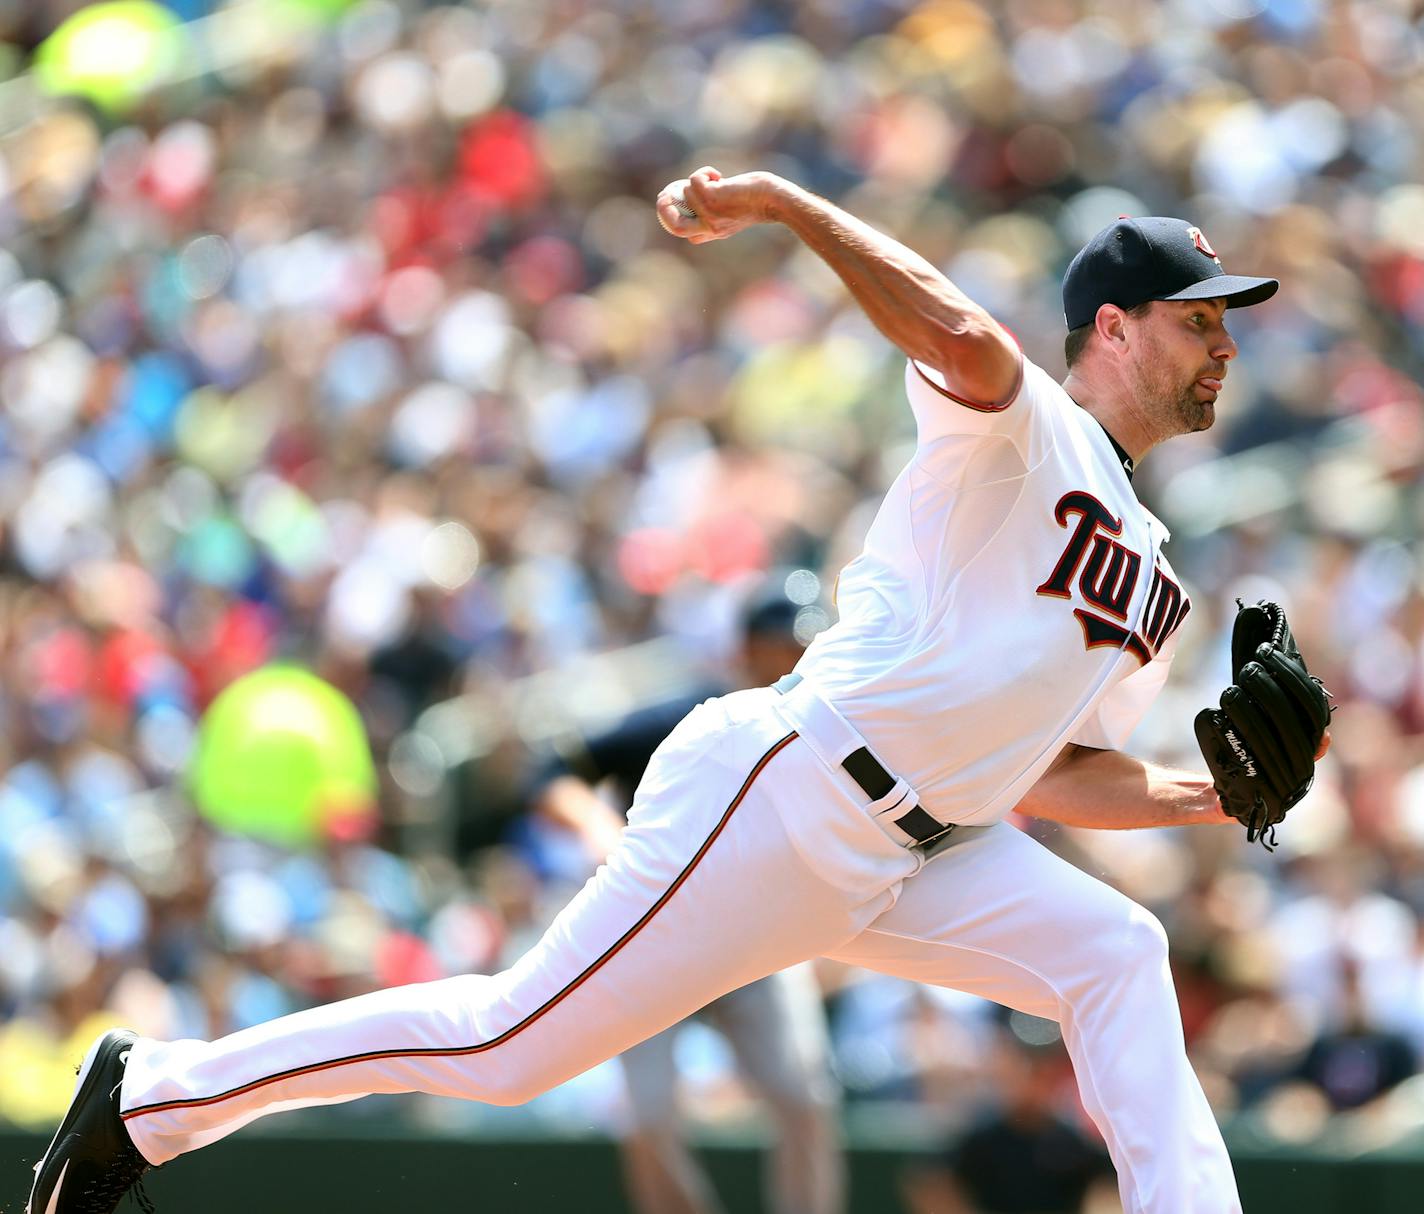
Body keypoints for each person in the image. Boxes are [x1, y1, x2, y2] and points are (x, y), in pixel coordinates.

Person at [30, 166, 1314, 1214]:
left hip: (923, 849)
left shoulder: (1151, 575)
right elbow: (959, 332)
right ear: (1111, 326)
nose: (1220, 346)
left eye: (1224, 324)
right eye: (1196, 317)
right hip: (790, 785)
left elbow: (1056, 772)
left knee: (1117, 948)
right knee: (500, 1047)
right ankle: (152, 1094)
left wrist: (1216, 797)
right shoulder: (1025, 426)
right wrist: (788, 206)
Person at [529, 590, 843, 1214]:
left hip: (756, 942)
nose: (788, 661)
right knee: (646, 1118)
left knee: (806, 1097)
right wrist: (594, 818)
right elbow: (551, 769)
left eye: (800, 648)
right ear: (743, 652)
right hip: (654, 938)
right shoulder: (696, 718)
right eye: (777, 648)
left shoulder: (834, 731)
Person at [900, 1024, 1114, 1214]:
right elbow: (927, 1181)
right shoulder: (982, 1137)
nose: (1034, 1078)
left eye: (1041, 1070)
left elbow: (1110, 1188)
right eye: (1027, 1067)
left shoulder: (1071, 1141)